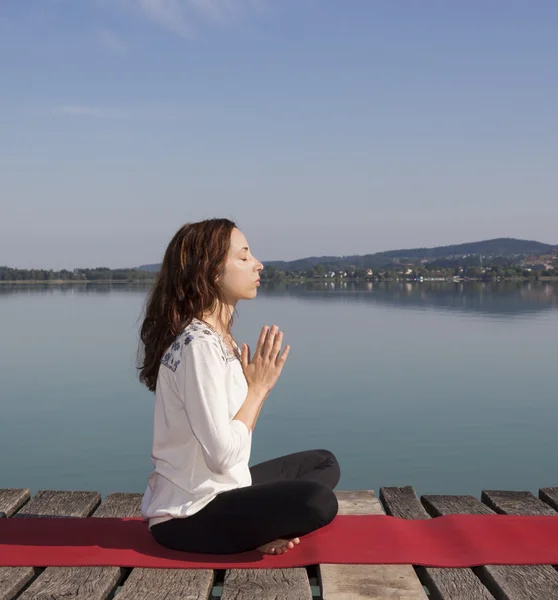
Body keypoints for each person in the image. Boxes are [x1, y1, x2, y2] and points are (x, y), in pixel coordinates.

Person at [138, 218, 340, 555]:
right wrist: (257, 391)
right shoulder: (198, 347)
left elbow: (236, 446)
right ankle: (259, 530)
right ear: (212, 272)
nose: (258, 264)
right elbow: (221, 457)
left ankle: (261, 523)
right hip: (188, 516)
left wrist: (255, 392)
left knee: (324, 463)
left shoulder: (221, 340)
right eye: (244, 257)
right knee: (318, 501)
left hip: (224, 489)